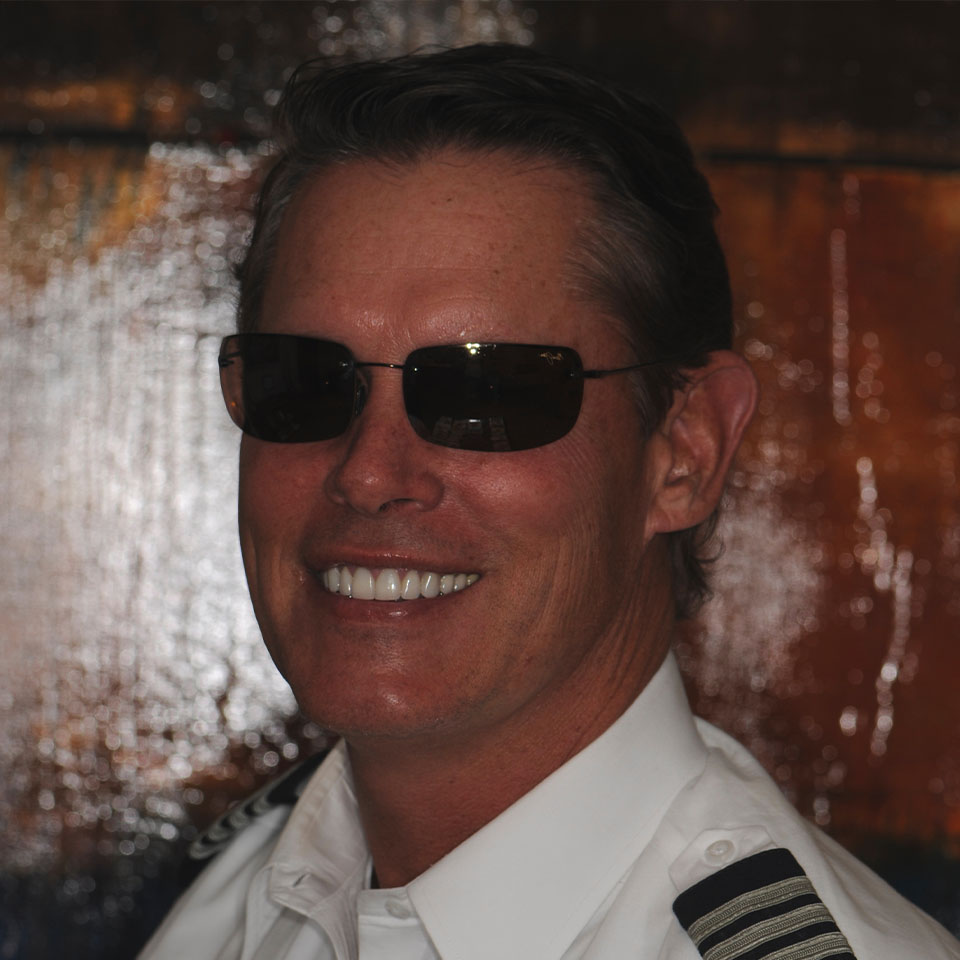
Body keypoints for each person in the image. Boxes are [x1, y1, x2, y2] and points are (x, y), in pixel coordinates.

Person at [139, 43, 960, 960]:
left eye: (486, 394)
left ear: (682, 452)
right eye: (307, 381)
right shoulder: (238, 900)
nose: (369, 474)